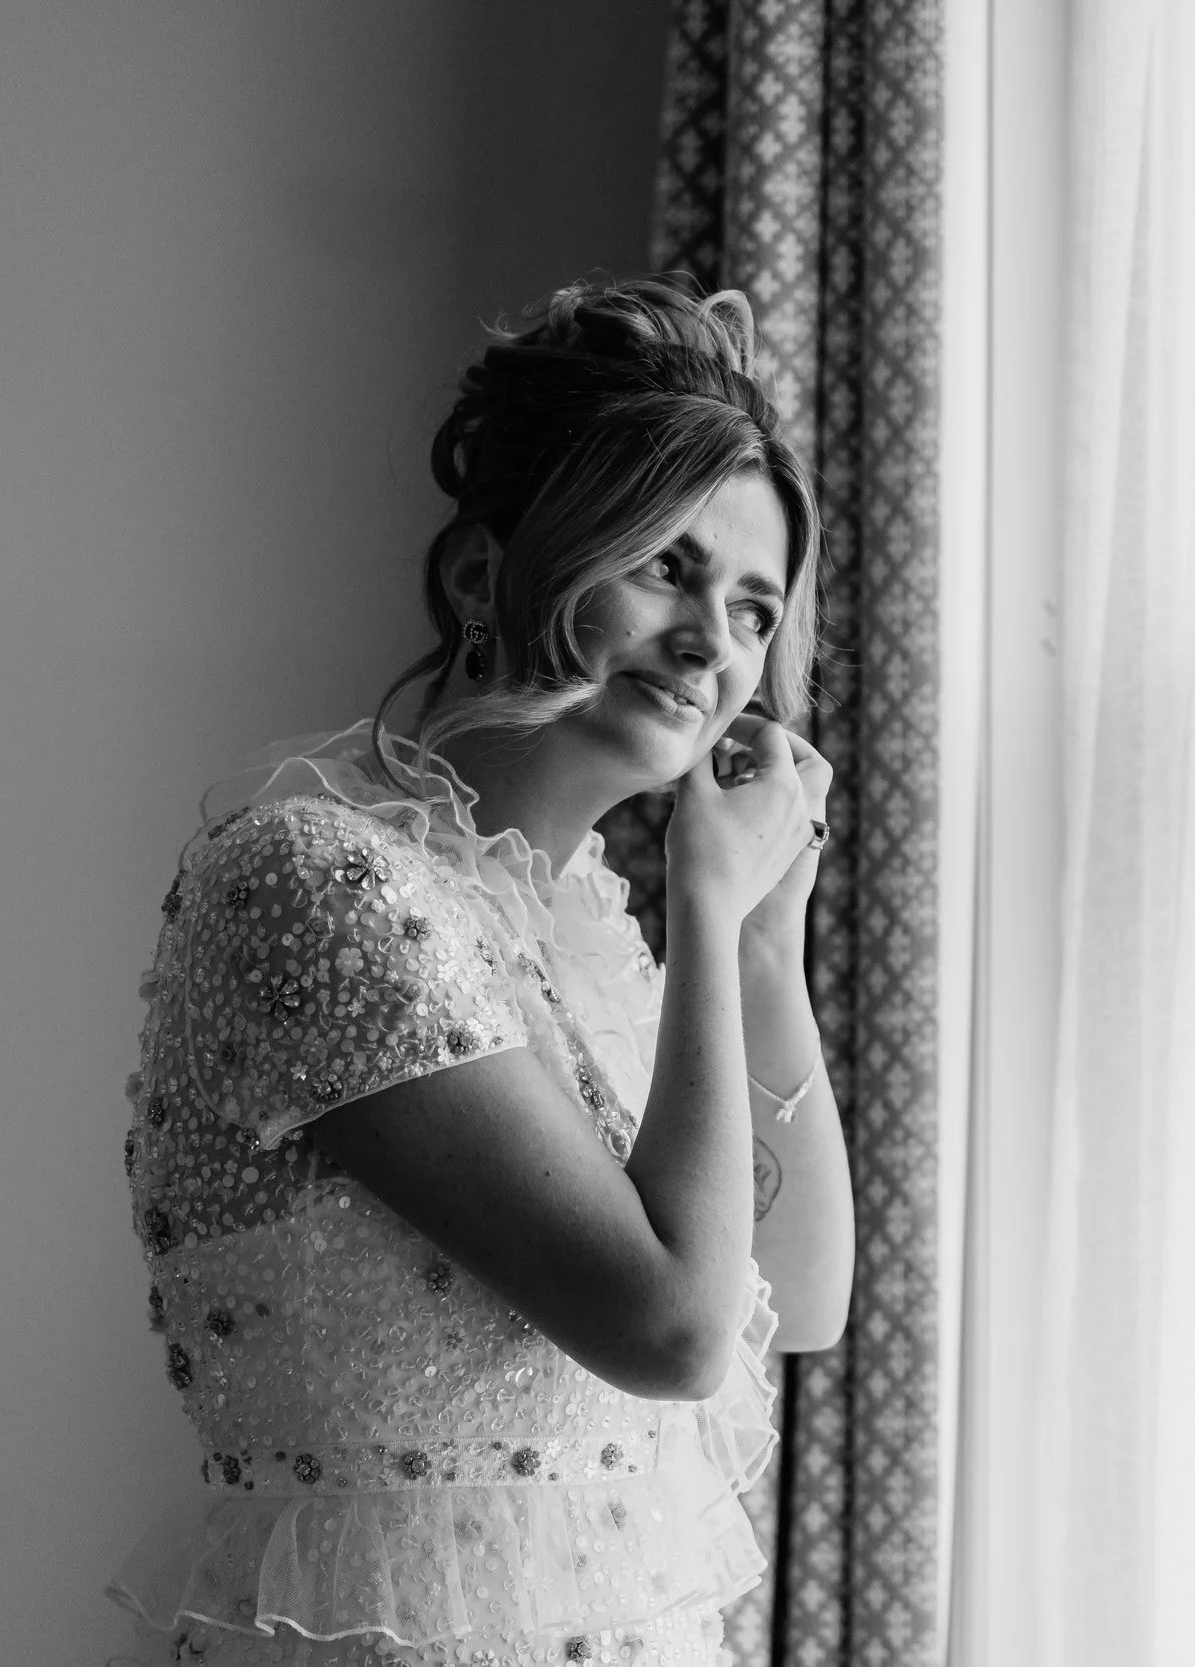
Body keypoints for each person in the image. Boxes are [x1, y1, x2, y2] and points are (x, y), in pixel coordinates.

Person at [104, 273, 854, 1667]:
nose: (716, 644)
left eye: (758, 608)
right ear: (476, 577)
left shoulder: (590, 933)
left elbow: (798, 1297)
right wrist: (703, 893)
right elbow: (677, 1332)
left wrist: (759, 941)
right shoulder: (317, 881)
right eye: (669, 566)